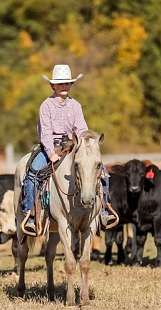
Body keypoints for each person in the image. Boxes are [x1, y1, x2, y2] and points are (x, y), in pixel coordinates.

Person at [21, 64, 116, 235]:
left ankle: (104, 210)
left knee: (102, 171)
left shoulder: (76, 106)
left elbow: (81, 129)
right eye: (61, 83)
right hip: (51, 146)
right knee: (33, 173)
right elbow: (45, 132)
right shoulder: (46, 106)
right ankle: (31, 215)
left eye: (67, 83)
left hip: (73, 145)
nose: (64, 86)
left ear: (71, 85)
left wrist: (87, 143)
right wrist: (51, 153)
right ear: (53, 86)